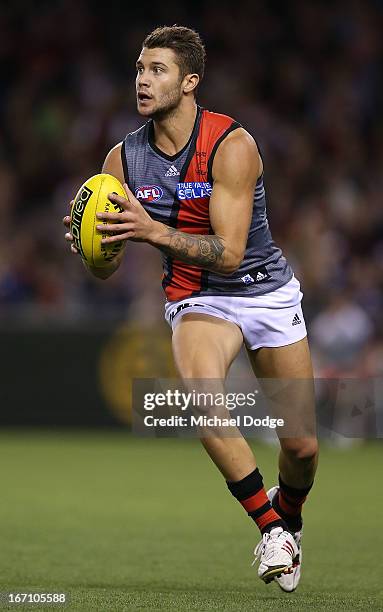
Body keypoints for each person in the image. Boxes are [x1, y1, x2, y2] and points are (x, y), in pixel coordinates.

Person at [63, 25, 318, 591]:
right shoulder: (122, 159)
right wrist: (90, 240)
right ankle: (270, 527)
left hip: (264, 290)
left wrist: (151, 230)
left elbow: (228, 253)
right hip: (196, 295)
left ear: (190, 81)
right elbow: (103, 262)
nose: (143, 80)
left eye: (158, 70)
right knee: (202, 400)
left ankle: (290, 518)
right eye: (139, 69)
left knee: (301, 448)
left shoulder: (232, 145)